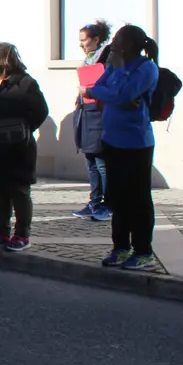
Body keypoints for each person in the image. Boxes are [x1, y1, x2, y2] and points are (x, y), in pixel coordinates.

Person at [82, 24, 161, 271]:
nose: (113, 44)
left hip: (136, 143)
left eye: (117, 39)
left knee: (138, 198)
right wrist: (101, 90)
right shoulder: (114, 64)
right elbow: (96, 88)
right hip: (112, 140)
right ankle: (120, 247)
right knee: (117, 198)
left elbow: (122, 94)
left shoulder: (145, 68)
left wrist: (103, 92)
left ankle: (143, 251)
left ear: (128, 44)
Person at [0, 43, 49, 252]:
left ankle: (22, 234)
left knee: (19, 191)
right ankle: (1, 232)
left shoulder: (25, 83)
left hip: (18, 148)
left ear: (2, 61)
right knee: (0, 190)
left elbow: (41, 111)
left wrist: (21, 130)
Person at [72, 20, 113, 221]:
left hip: (99, 113)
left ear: (96, 40)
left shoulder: (106, 57)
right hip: (86, 111)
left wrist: (88, 90)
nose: (81, 44)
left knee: (102, 162)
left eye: (84, 40)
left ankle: (108, 204)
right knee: (91, 161)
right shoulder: (88, 60)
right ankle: (94, 202)